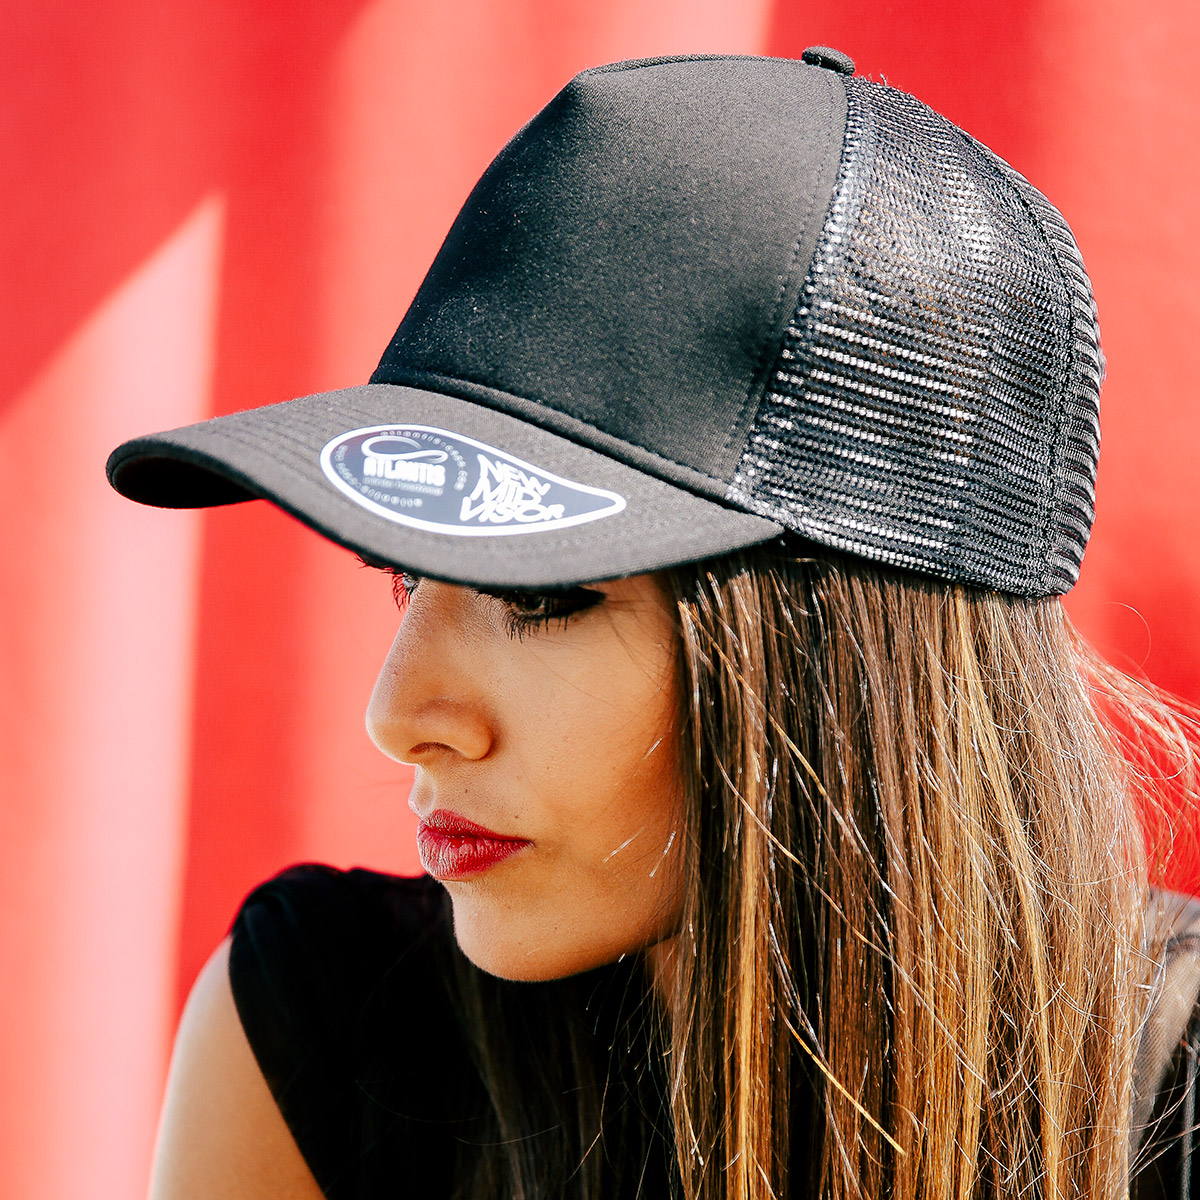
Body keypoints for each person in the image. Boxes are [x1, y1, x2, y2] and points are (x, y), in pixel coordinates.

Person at [107, 48, 1200, 1200]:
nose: (399, 715)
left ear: (841, 653)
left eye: (539, 596)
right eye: (405, 575)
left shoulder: (1175, 1091)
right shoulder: (324, 1036)